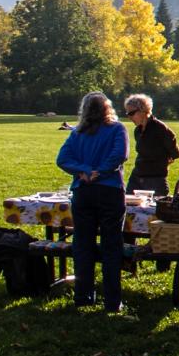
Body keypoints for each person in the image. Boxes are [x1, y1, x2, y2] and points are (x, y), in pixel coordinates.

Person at [56, 91, 130, 313]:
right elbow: (120, 154)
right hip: (109, 190)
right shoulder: (117, 129)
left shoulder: (78, 133)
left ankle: (83, 295)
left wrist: (84, 171)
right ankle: (112, 300)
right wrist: (99, 171)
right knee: (111, 245)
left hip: (84, 191)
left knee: (83, 244)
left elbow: (63, 159)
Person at [123, 93, 179, 195]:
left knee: (155, 209)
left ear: (143, 111)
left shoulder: (160, 129)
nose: (129, 117)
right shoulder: (138, 130)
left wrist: (164, 160)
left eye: (131, 113)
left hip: (155, 180)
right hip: (136, 177)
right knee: (129, 207)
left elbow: (175, 153)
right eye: (127, 114)